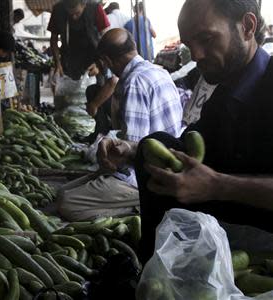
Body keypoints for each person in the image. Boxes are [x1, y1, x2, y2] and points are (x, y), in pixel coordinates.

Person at [98, 0, 273, 263]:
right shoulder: (224, 92)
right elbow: (184, 148)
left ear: (247, 26)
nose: (198, 55)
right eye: (190, 45)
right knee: (154, 145)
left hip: (262, 236)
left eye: (207, 39)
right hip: (227, 220)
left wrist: (217, 186)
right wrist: (131, 151)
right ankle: (154, 268)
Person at [57, 28, 183, 221]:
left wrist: (108, 160)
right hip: (163, 167)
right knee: (63, 191)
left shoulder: (134, 82)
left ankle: (140, 209)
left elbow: (132, 151)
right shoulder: (158, 71)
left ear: (107, 61)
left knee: (67, 203)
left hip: (146, 177)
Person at [48, 0, 110, 81]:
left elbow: (107, 38)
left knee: (97, 90)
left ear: (84, 5)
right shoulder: (58, 10)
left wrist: (100, 63)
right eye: (70, 14)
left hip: (95, 59)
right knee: (69, 90)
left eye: (77, 13)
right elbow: (53, 39)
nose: (74, 17)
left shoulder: (95, 8)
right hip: (69, 60)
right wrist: (57, 64)